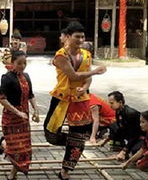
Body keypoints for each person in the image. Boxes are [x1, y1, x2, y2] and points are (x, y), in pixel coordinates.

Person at [43, 22, 107, 180]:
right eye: (77, 36)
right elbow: (73, 76)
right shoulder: (60, 55)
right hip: (61, 98)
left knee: (78, 136)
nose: (80, 39)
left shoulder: (86, 54)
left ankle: (65, 171)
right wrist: (96, 71)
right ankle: (74, 143)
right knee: (50, 133)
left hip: (81, 100)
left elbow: (87, 78)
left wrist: (85, 86)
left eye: (83, 37)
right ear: (68, 37)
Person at [0, 51, 40, 179]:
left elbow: (31, 95)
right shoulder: (7, 78)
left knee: (23, 149)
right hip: (11, 118)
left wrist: (36, 110)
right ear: (12, 63)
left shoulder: (26, 76)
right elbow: (1, 98)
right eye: (19, 63)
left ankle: (12, 174)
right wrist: (17, 112)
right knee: (15, 148)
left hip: (24, 119)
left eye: (24, 63)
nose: (22, 66)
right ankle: (3, 144)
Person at [107, 91, 145, 160]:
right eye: (109, 103)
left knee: (135, 150)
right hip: (130, 133)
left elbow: (134, 135)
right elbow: (120, 128)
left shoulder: (131, 114)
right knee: (113, 126)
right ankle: (119, 150)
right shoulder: (118, 111)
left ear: (120, 102)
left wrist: (124, 151)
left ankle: (124, 153)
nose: (110, 105)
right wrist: (106, 139)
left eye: (112, 103)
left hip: (141, 136)